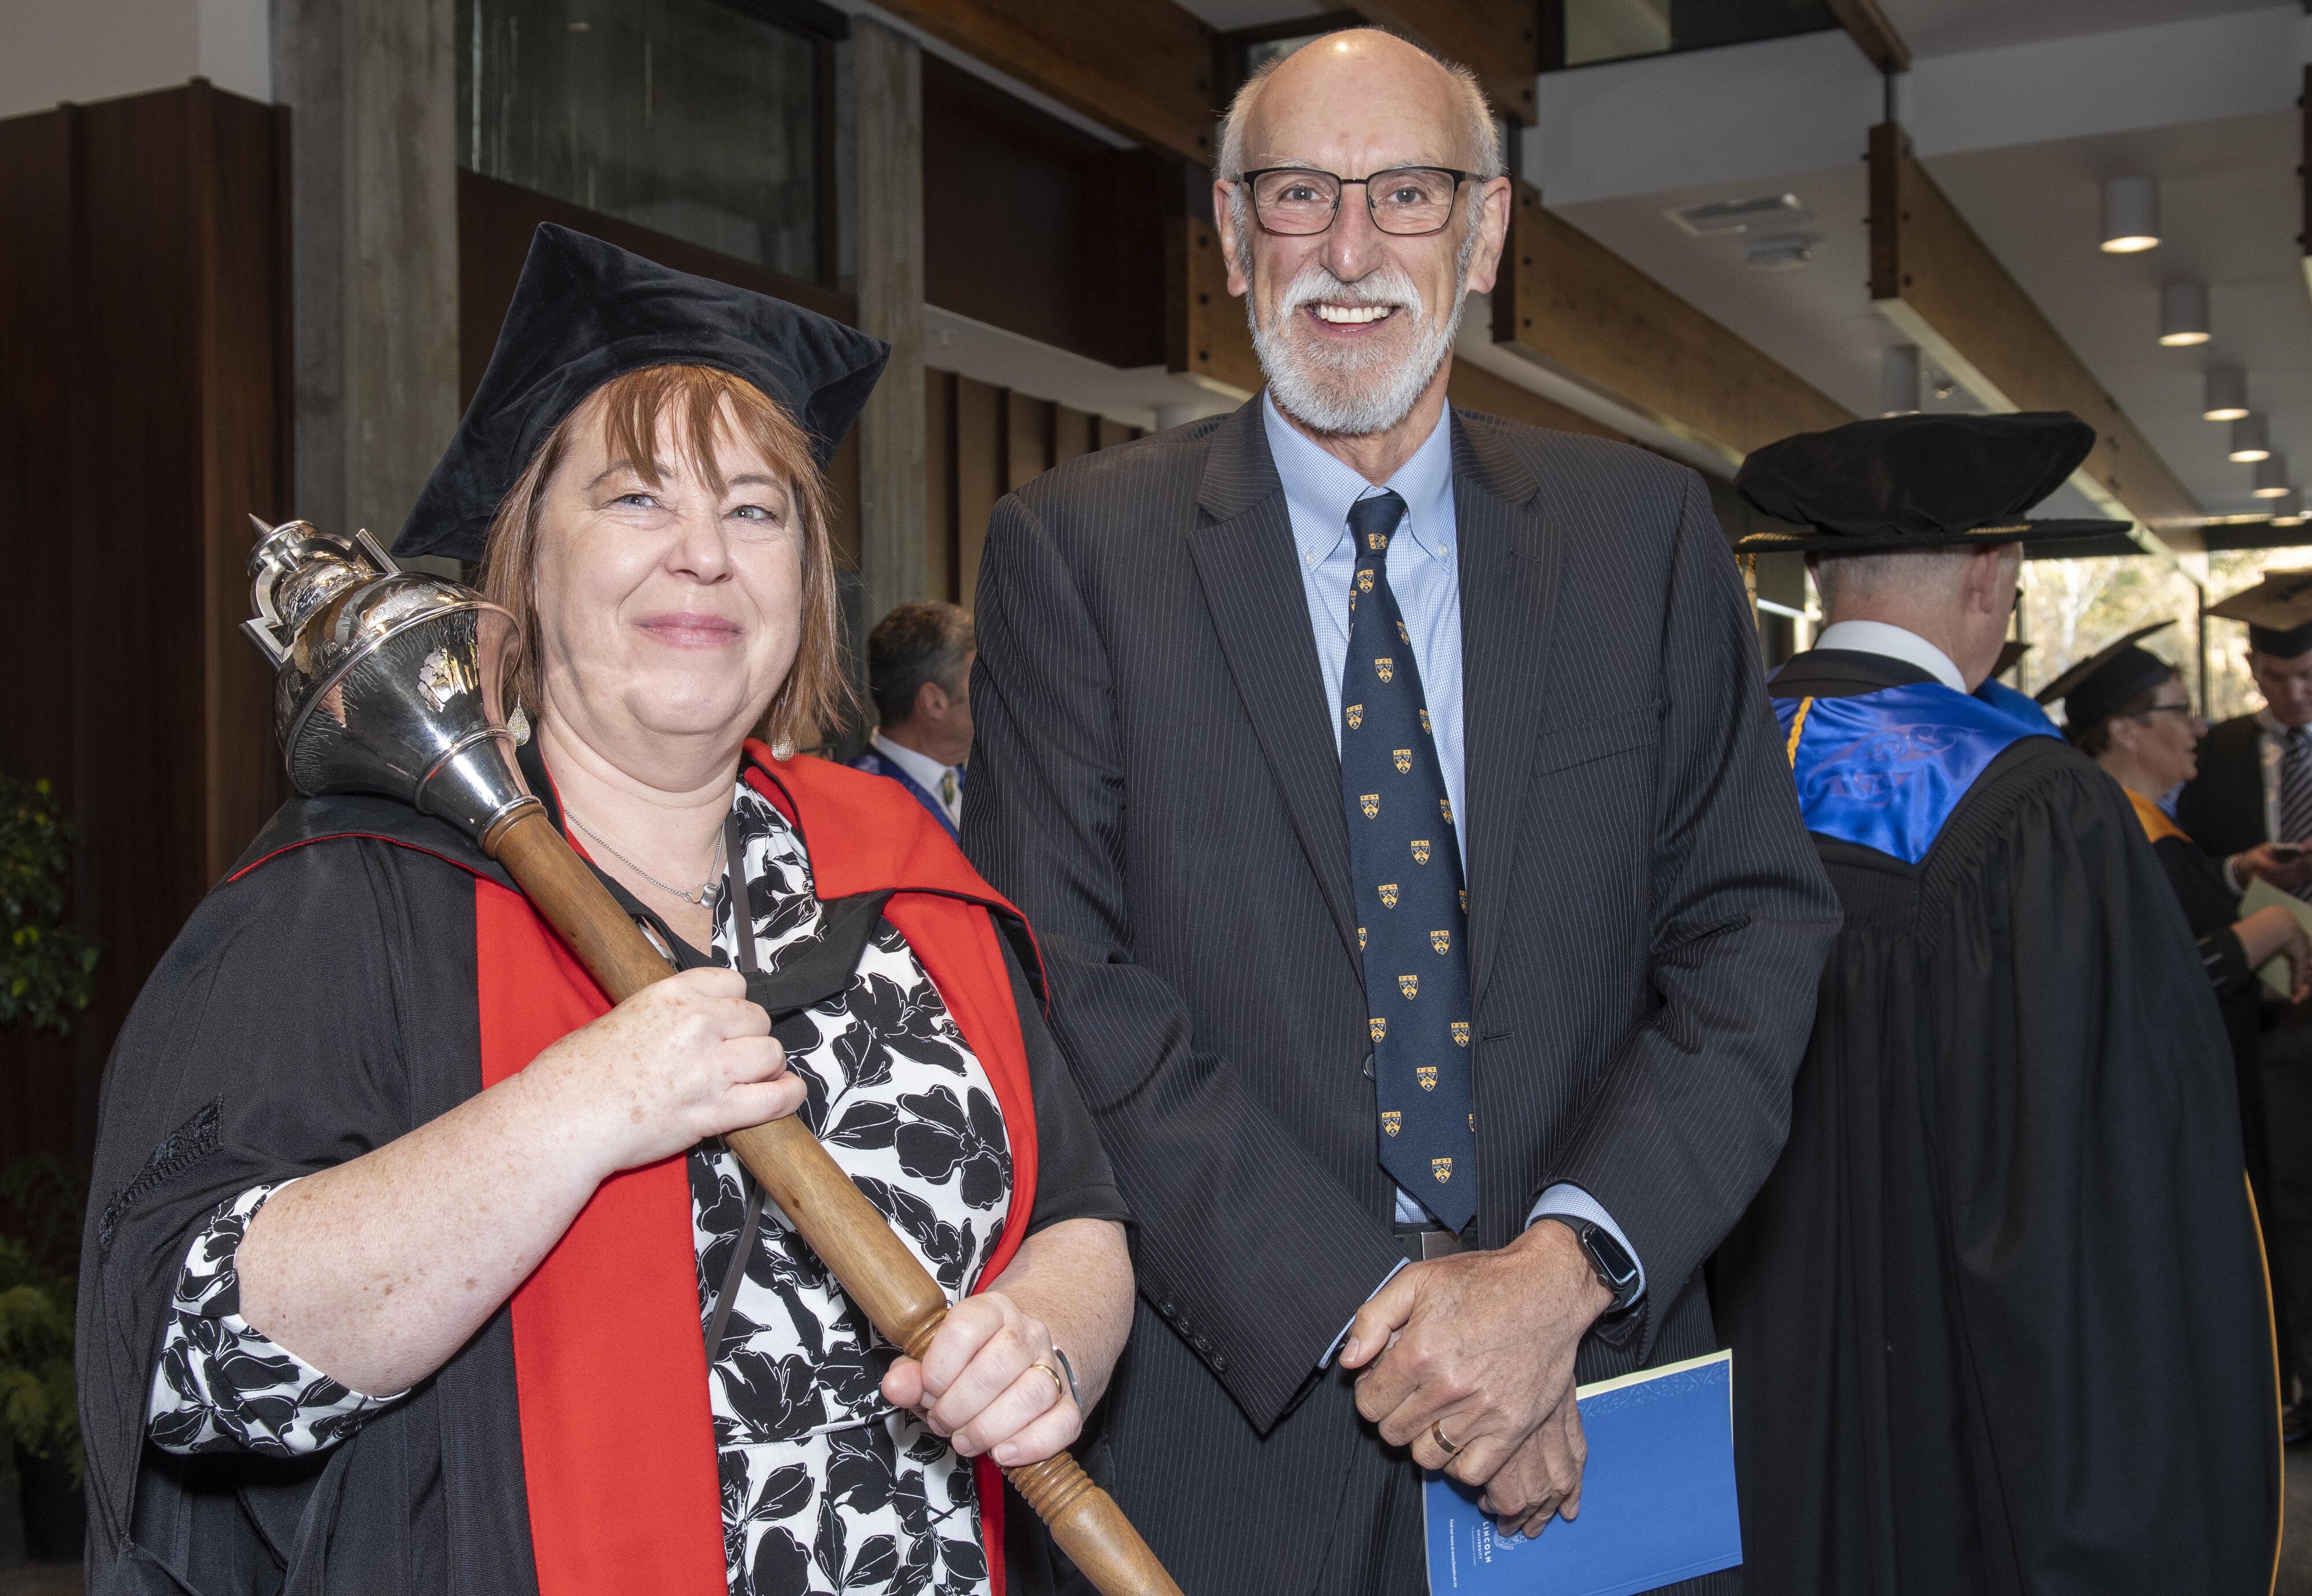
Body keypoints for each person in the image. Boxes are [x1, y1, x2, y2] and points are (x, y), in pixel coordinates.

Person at [77, 225, 1134, 1596]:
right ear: (523, 559)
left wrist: (1041, 1337)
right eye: (637, 499)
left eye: (756, 510)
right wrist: (574, 1107)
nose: (703, 553)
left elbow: (1078, 1209)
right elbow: (190, 1359)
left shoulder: (902, 875)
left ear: (806, 580)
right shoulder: (355, 898)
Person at [959, 28, 1840, 1594]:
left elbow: (1748, 939)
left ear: (1485, 230)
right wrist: (1397, 1319)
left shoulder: (1640, 541)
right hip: (1232, 1433)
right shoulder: (1073, 553)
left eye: (1407, 194)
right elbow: (1065, 989)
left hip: (1585, 1412)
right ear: (1233, 240)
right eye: (1298, 194)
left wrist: (1554, 1279)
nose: (1349, 250)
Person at [1712, 410, 2281, 1595]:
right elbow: (2115, 1172)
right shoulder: (2030, 805)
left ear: (1818, 576)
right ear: (1991, 575)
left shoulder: (1690, 772)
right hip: (1936, 1404)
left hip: (1714, 1382)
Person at [2043, 623, 2309, 1301]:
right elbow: (2161, 981)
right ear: (2126, 730)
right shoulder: (2124, 841)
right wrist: (2271, 927)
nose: (2198, 726)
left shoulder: (2122, 827)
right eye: (2179, 710)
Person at [2180, 571, 2312, 1439]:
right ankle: (2302, 1380)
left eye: (2306, 677)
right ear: (2249, 666)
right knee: (2290, 1196)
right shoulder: (2214, 753)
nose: (2292, 694)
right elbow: (2188, 874)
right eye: (2274, 677)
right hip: (2271, 1015)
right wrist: (2243, 869)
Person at [851, 601, 974, 838]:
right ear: (934, 702)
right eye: (980, 681)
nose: (995, 693)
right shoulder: (862, 805)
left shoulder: (975, 780)